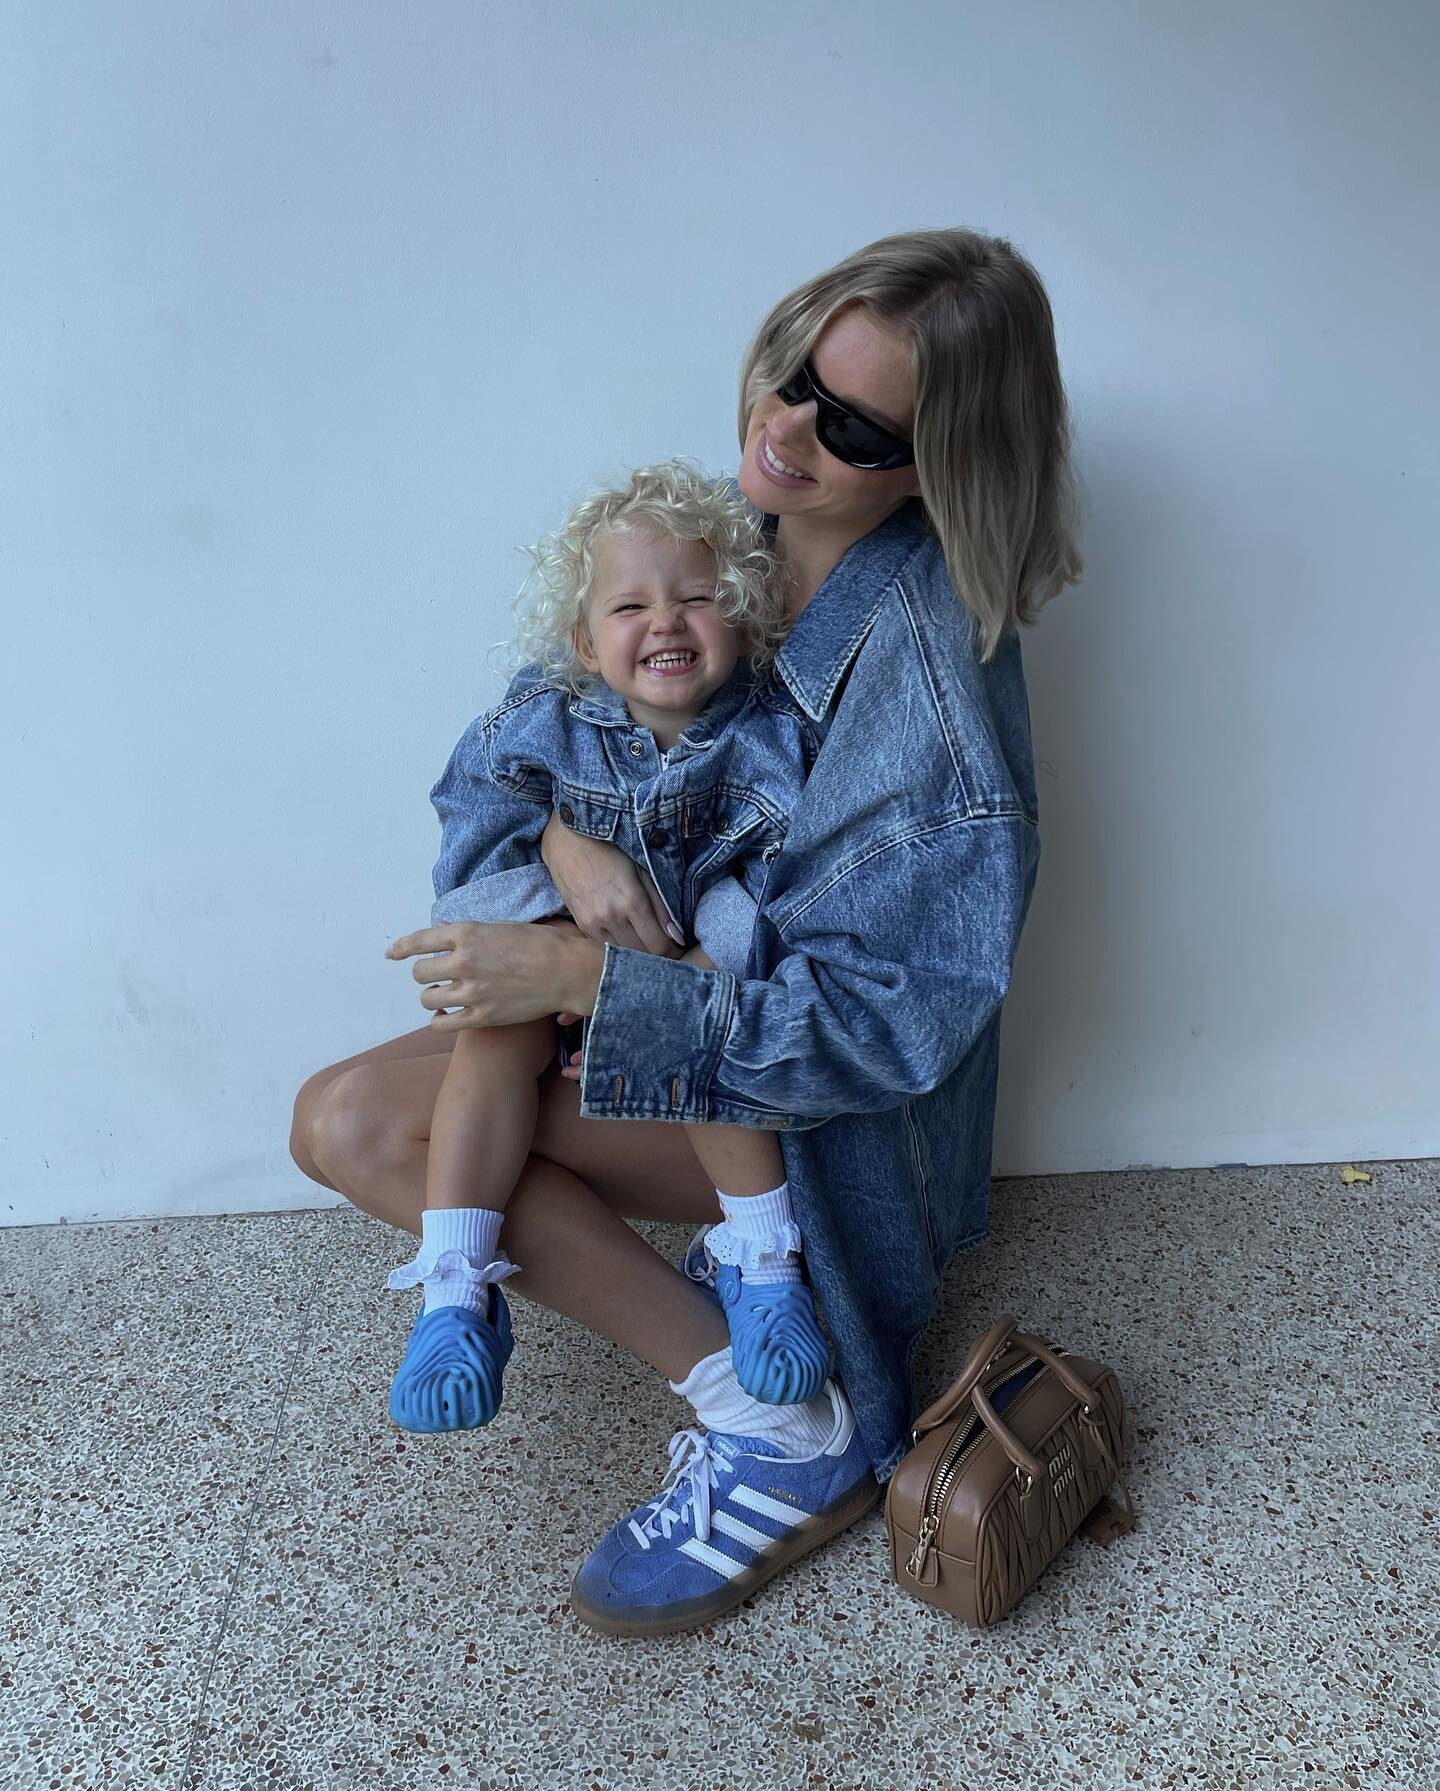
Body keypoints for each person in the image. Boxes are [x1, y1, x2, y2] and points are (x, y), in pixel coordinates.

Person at [291, 226, 1082, 1638]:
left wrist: (591, 975)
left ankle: (792, 1429)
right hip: (677, 1015)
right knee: (336, 1115)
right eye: (793, 375)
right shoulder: (725, 534)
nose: (786, 431)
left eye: (852, 426)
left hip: (826, 1121)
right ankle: (728, 1324)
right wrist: (559, 834)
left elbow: (878, 1036)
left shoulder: (929, 693)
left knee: (374, 1130)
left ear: (940, 465)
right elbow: (554, 711)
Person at [385, 459, 833, 1437]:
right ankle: (455, 1290)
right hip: (557, 942)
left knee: (699, 1024)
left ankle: (764, 1261)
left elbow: (784, 885)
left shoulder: (769, 743)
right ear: (586, 643)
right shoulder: (541, 722)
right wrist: (534, 917)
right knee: (493, 1029)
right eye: (630, 606)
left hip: (692, 957)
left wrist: (675, 977)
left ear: (741, 616)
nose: (665, 622)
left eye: (696, 598)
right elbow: (480, 816)